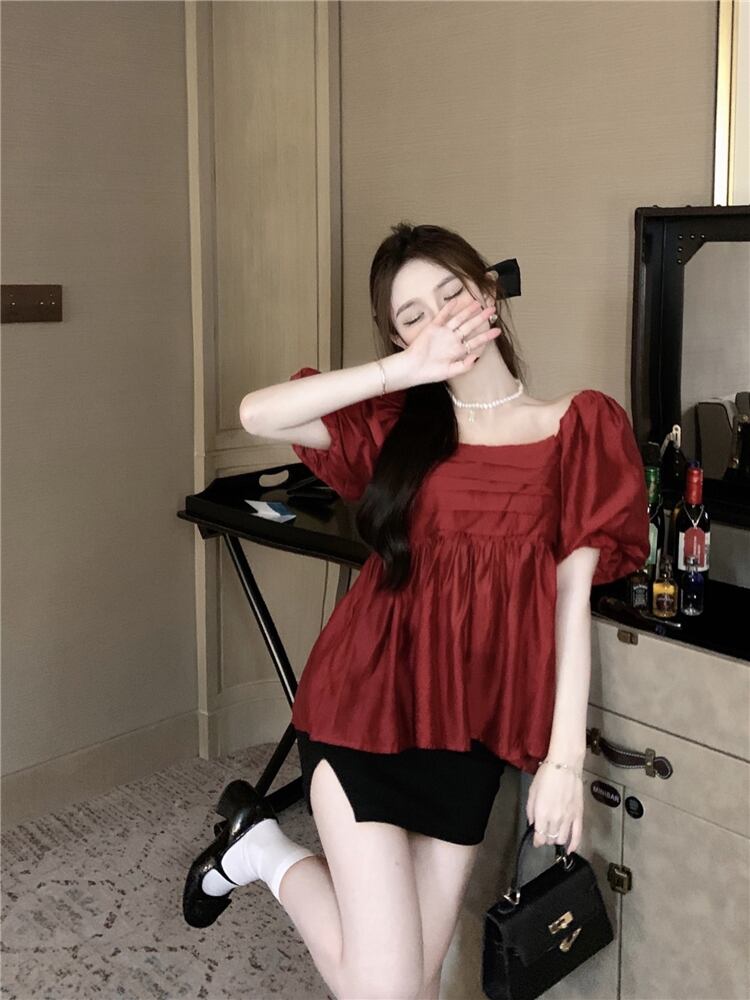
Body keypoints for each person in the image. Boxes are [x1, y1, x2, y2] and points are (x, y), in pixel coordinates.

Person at [183, 222, 650, 999]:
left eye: (450, 294)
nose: (440, 320)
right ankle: (264, 852)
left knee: (415, 983)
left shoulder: (579, 425)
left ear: (489, 293)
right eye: (412, 316)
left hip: (470, 731)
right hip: (362, 707)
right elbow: (259, 413)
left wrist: (563, 762)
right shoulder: (396, 427)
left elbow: (570, 603)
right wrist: (403, 370)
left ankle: (254, 843)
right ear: (398, 338)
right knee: (390, 991)